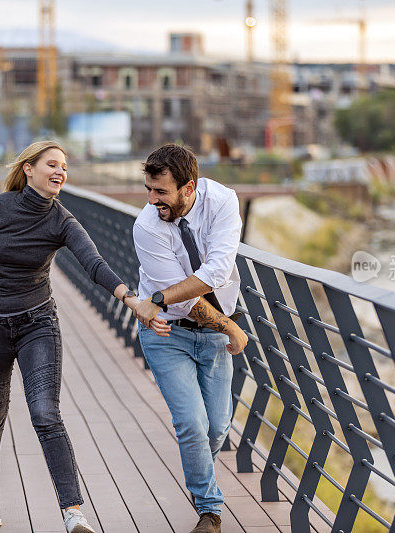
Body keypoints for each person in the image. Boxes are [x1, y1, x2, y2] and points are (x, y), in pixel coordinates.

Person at [0, 141, 169, 532]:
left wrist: (131, 300)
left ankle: (73, 513)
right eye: (52, 164)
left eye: (65, 166)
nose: (60, 171)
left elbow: (94, 264)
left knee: (45, 414)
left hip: (37, 325)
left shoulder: (63, 221)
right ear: (28, 169)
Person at [132, 143, 248, 533]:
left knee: (216, 428)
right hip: (168, 335)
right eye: (148, 190)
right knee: (192, 425)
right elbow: (183, 304)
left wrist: (159, 298)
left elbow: (217, 268)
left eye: (161, 191)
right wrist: (230, 326)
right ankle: (210, 511)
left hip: (211, 337)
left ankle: (198, 471)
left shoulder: (222, 201)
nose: (152, 200)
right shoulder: (147, 224)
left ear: (189, 187)